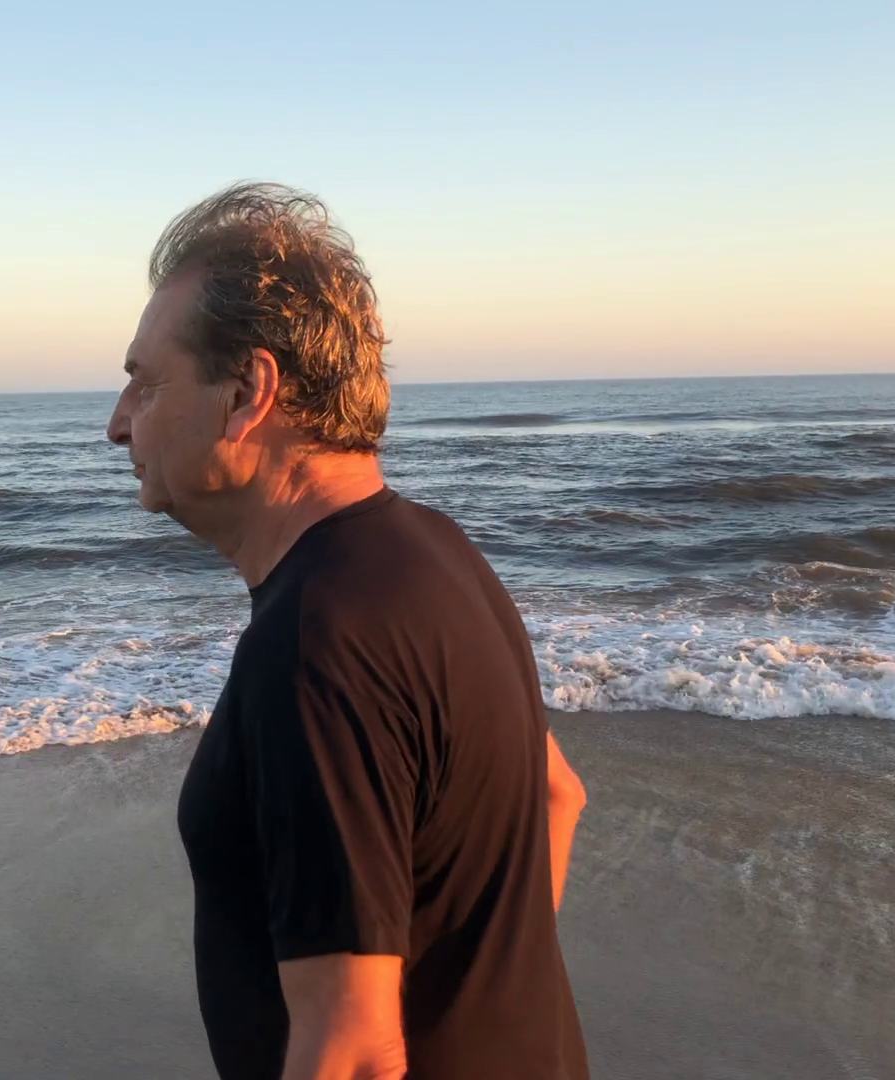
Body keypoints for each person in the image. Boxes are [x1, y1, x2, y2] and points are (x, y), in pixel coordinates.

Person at [106, 183, 590, 1080]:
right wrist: (470, 1001)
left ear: (246, 391)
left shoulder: (314, 646)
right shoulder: (438, 555)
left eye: (146, 381)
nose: (118, 423)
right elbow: (556, 797)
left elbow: (357, 1055)